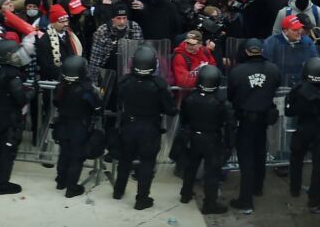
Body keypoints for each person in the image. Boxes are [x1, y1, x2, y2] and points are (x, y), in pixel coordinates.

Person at [113, 46, 177, 209]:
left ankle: (118, 191)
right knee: (147, 162)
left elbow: (118, 102)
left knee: (125, 159)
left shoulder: (125, 81)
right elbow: (170, 109)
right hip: (150, 128)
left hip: (129, 125)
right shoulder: (159, 84)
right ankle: (142, 199)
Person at [227, 38, 281, 213]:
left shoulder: (237, 72)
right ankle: (258, 188)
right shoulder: (273, 69)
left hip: (245, 121)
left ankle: (246, 199)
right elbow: (275, 87)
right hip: (263, 120)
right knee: (260, 155)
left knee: (246, 160)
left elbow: (231, 96)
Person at [178, 64, 234, 214]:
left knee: (191, 167)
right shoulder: (221, 102)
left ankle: (185, 194)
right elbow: (229, 124)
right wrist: (229, 144)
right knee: (212, 173)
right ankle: (209, 204)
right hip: (212, 138)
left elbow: (184, 119)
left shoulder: (189, 98)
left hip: (194, 136)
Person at [285, 57, 320, 213]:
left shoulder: (298, 90)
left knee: (296, 160)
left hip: (302, 129)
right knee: (318, 166)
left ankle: (294, 189)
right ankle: (314, 197)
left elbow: (289, 111)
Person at [0, 39, 32, 194]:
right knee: (8, 149)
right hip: (9, 116)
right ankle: (3, 184)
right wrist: (31, 93)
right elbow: (20, 98)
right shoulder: (13, 75)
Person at [53, 56, 103, 198]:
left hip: (62, 125)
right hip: (79, 127)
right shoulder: (86, 90)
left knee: (64, 154)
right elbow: (98, 107)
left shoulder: (61, 86)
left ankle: (61, 181)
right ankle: (71, 187)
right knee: (77, 157)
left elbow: (56, 102)